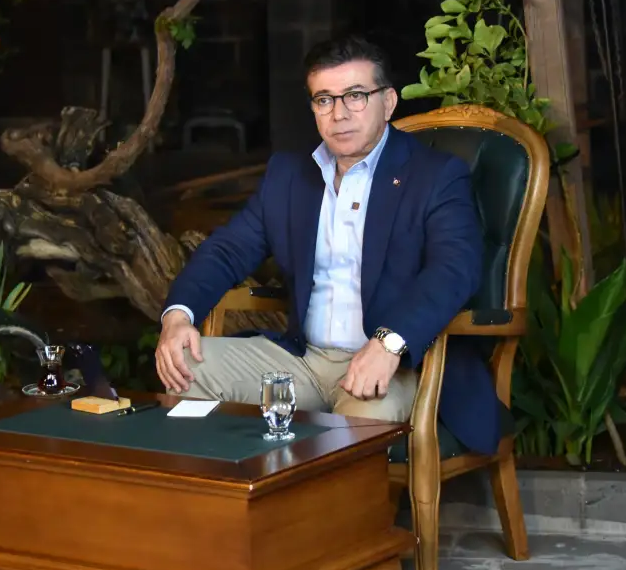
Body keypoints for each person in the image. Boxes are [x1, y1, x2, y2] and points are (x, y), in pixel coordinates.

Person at [156, 34, 502, 455]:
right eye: (324, 99)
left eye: (355, 96)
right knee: (186, 367)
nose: (339, 114)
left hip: (392, 364)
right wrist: (178, 316)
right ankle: (219, 495)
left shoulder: (434, 175)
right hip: (301, 359)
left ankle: (315, 501)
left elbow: (455, 268)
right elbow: (227, 250)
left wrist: (390, 342)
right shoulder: (290, 175)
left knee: (354, 434)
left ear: (388, 102)